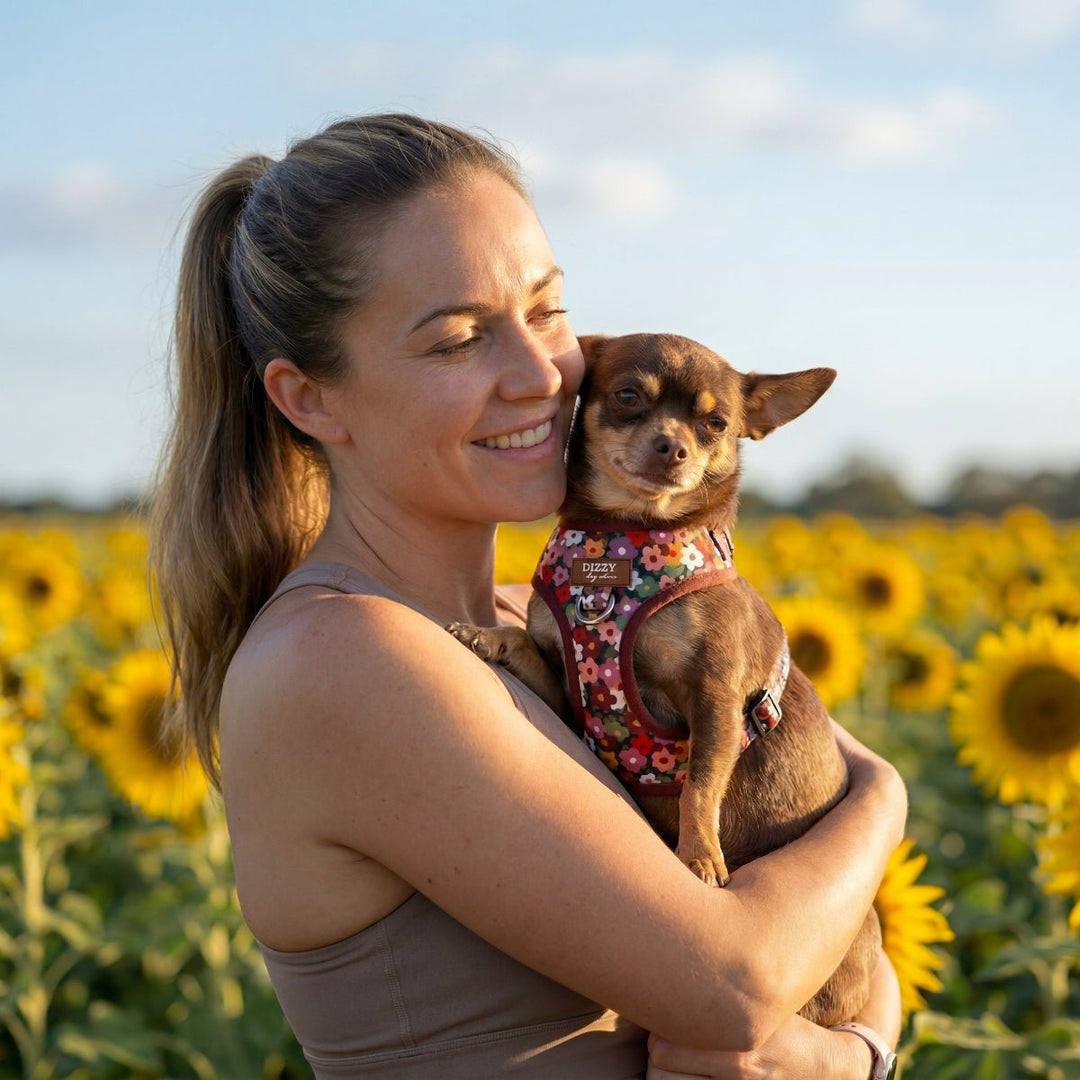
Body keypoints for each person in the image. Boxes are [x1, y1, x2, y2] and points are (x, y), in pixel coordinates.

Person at [151, 113, 907, 1079]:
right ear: (311, 398)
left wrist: (851, 1047)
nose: (541, 375)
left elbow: (818, 949)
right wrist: (885, 800)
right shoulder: (345, 658)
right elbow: (737, 985)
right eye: (460, 340)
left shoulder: (532, 626)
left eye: (546, 311)